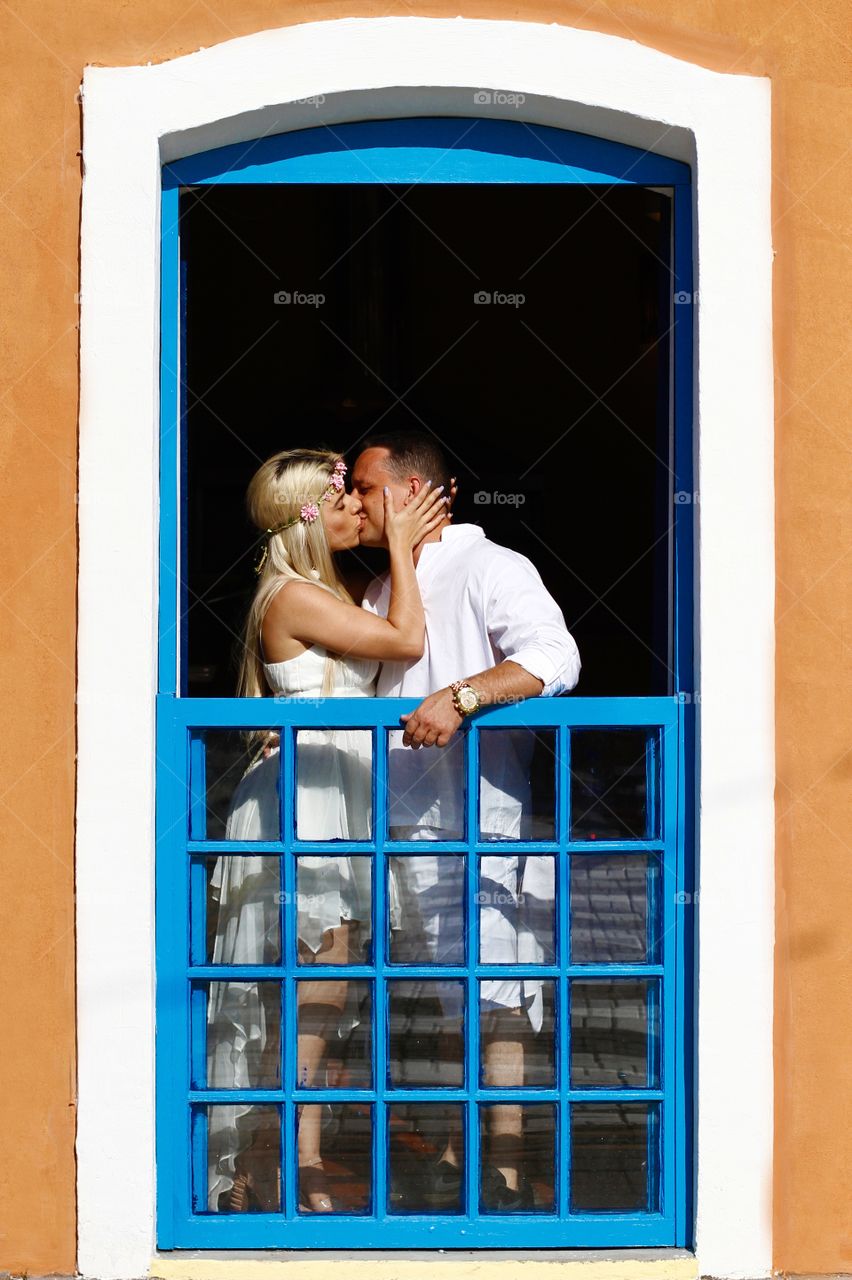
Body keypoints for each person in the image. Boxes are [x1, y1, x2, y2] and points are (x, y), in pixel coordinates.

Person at [206, 447, 449, 1215]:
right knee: (312, 988)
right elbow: (406, 643)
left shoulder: (325, 591)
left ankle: (280, 1161)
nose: (359, 513)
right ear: (310, 517)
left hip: (337, 796)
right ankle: (283, 1161)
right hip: (306, 801)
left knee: (324, 992)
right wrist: (408, 553)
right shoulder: (292, 597)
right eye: (343, 502)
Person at [353, 430, 581, 1210]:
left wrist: (464, 696)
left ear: (413, 492)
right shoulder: (382, 590)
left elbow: (556, 657)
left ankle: (507, 1173)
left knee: (501, 998)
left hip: (485, 821)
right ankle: (458, 1155)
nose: (353, 502)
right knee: (454, 999)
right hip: (402, 829)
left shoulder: (494, 566)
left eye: (365, 487)